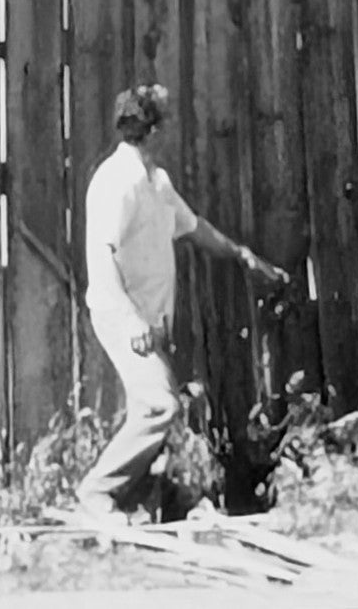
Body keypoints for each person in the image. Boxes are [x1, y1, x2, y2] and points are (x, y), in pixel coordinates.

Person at [76, 83, 285, 521]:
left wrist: (242, 256)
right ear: (152, 131)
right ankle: (96, 494)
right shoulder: (118, 182)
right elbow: (101, 255)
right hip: (122, 317)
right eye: (165, 124)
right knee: (160, 405)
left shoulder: (157, 182)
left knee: (152, 407)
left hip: (154, 319)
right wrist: (131, 322)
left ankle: (148, 505)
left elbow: (193, 227)